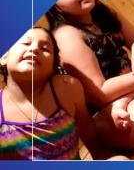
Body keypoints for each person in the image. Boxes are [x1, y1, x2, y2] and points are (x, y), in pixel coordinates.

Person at [46, 0, 134, 149]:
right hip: (106, 110)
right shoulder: (66, 36)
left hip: (133, 89)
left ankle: (130, 98)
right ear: (56, 8)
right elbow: (101, 93)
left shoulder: (102, 13)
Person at [0, 27, 126, 160]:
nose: (34, 49)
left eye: (45, 49)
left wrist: (100, 154)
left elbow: (86, 126)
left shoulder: (66, 88)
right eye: (26, 43)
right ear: (4, 57)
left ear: (53, 67)